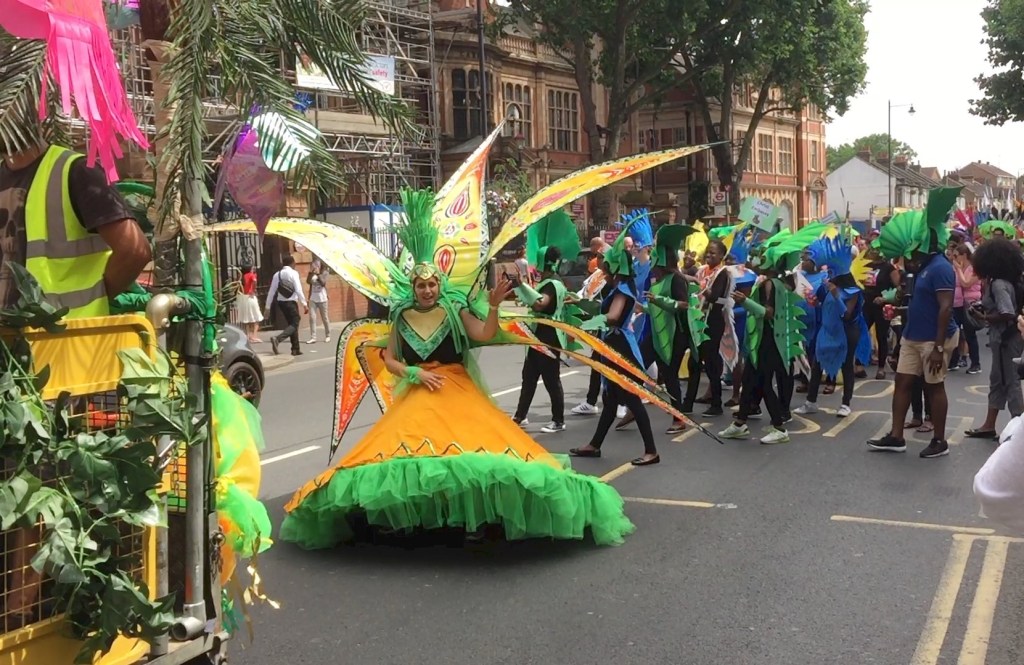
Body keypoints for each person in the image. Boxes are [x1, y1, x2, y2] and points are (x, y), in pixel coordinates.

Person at [280, 189, 638, 548]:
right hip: (419, 391)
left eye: (432, 284)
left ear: (440, 284)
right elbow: (390, 358)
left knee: (469, 454)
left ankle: (473, 520)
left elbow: (483, 332)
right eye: (421, 285)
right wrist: (414, 373)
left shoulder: (453, 310)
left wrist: (495, 304)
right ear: (413, 287)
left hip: (457, 389)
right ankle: (411, 517)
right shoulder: (402, 316)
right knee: (412, 456)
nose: (427, 290)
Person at [1, 140, 150, 628]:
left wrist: (89, 302)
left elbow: (133, 248)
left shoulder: (72, 169)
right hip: (13, 362)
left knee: (40, 491)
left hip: (69, 369)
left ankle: (20, 616)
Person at [867, 189, 961, 459]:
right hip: (912, 336)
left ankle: (939, 441)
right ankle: (896, 437)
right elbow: (922, 303)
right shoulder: (922, 269)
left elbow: (945, 307)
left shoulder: (941, 267)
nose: (908, 256)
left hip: (934, 340)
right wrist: (898, 307)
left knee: (934, 386)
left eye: (912, 249)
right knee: (903, 383)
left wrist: (938, 347)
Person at [570, 223, 661, 466]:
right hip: (612, 345)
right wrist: (580, 306)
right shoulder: (618, 286)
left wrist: (590, 318)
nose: (602, 266)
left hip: (621, 348)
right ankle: (594, 445)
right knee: (610, 399)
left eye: (605, 263)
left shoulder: (622, 289)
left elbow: (612, 317)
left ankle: (651, 451)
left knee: (631, 398)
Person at [512, 210, 580, 433]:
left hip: (549, 337)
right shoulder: (551, 281)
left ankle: (558, 420)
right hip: (538, 336)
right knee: (528, 377)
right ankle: (520, 416)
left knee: (551, 380)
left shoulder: (553, 284)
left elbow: (542, 304)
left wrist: (522, 287)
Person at [964, 238, 1024, 439]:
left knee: (1011, 381)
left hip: (1007, 339)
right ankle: (989, 424)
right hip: (1003, 338)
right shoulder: (1000, 282)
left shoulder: (998, 284)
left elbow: (1007, 312)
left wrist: (984, 317)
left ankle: (1018, 428)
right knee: (997, 380)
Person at [643, 224, 698, 434]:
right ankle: (631, 406)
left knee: (670, 374)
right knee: (638, 366)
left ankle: (679, 417)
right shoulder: (661, 280)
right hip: (658, 334)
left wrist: (659, 300)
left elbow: (683, 305)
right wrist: (642, 307)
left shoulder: (676, 279)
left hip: (676, 335)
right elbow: (658, 311)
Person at [682, 239, 732, 416]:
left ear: (721, 256)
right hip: (697, 320)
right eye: (708, 252)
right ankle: (687, 403)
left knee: (710, 363)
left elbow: (714, 296)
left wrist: (698, 285)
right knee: (694, 362)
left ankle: (716, 403)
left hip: (713, 322)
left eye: (713, 253)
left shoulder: (723, 273)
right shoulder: (702, 270)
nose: (709, 255)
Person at [863, 253, 902, 380]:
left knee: (881, 336)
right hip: (867, 305)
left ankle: (881, 368)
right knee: (862, 334)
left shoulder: (889, 268)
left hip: (881, 307)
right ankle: (858, 364)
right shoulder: (867, 266)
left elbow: (899, 287)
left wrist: (885, 298)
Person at [265, 254, 307, 356]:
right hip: (291, 302)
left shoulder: (277, 275)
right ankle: (277, 339)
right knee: (295, 322)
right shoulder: (293, 273)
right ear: (292, 263)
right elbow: (298, 289)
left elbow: (271, 291)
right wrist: (304, 303)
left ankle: (295, 349)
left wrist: (267, 307)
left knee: (292, 324)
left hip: (281, 303)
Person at [950, 243, 982, 374]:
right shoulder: (960, 267)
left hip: (971, 303)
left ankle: (976, 363)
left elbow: (966, 283)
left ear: (964, 255)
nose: (954, 258)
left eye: (956, 255)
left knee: (970, 334)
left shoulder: (974, 269)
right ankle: (954, 361)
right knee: (955, 332)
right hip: (959, 303)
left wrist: (958, 269)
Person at [306, 257, 331, 344]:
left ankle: (328, 335)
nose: (315, 266)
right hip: (313, 298)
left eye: (317, 265)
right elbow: (308, 282)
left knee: (325, 318)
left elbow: (323, 283)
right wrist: (311, 273)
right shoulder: (312, 273)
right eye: (314, 265)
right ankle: (313, 337)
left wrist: (318, 274)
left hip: (322, 298)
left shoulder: (325, 272)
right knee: (312, 318)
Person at [235, 265, 263, 343]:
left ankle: (247, 335)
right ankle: (254, 336)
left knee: (246, 318)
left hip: (242, 298)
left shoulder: (241, 276)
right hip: (250, 297)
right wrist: (253, 290)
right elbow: (254, 281)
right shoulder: (251, 275)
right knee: (256, 317)